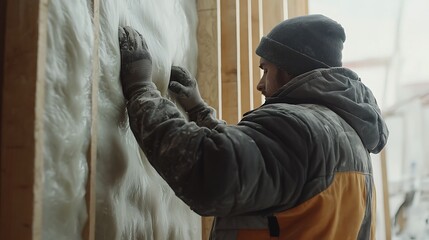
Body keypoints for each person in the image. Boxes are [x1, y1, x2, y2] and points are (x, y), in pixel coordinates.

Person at [118, 14, 388, 240]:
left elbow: (209, 170)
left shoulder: (297, 129)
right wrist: (200, 112)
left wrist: (141, 91)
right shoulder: (350, 139)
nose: (260, 84)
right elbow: (264, 169)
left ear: (289, 70)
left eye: (265, 70)